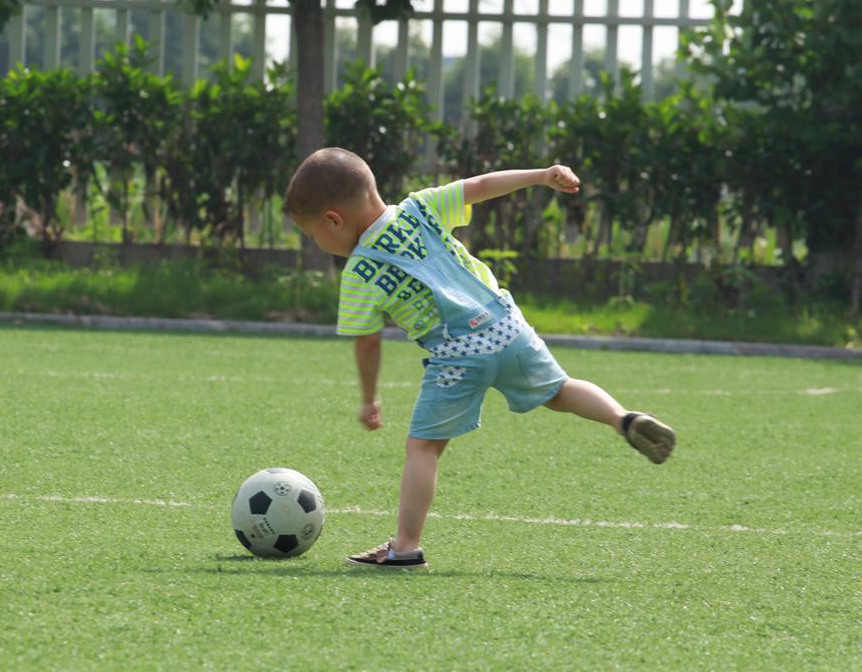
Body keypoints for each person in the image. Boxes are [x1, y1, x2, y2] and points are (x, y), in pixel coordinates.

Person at [284, 147, 676, 570]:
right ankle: (623, 418)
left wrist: (368, 399)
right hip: (507, 325)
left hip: (459, 353)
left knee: (424, 448)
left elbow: (367, 343)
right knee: (560, 390)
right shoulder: (420, 206)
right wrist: (542, 175)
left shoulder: (360, 271)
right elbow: (482, 185)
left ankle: (406, 547)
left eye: (313, 236)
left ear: (334, 220)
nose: (318, 244)